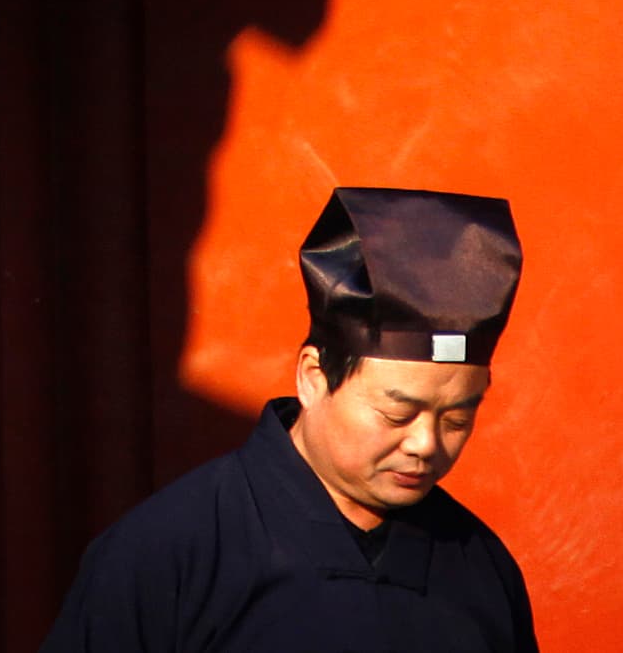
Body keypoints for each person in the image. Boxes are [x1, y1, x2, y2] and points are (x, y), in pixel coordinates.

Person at [40, 188, 536, 652]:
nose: (426, 444)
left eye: (455, 418)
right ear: (313, 377)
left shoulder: (480, 567)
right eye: (397, 413)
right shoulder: (167, 554)